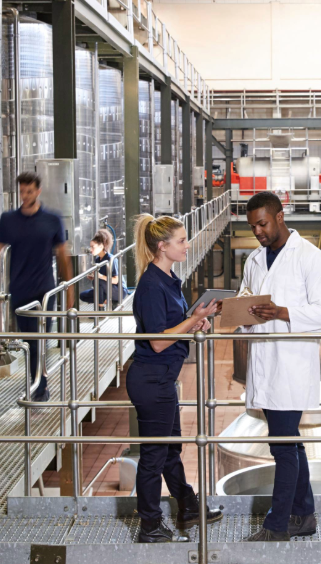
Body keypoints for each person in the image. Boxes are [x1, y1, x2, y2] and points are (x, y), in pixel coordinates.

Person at [233, 192, 321, 542]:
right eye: (252, 226)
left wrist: (282, 312)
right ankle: (304, 514)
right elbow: (245, 300)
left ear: (279, 216)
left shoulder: (311, 258)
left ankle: (277, 525)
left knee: (282, 447)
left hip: (290, 366)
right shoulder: (254, 260)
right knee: (290, 443)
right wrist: (237, 312)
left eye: (262, 223)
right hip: (263, 361)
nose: (257, 231)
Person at [128, 213, 222, 543]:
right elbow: (156, 340)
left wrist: (194, 322)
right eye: (181, 241)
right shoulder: (152, 285)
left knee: (170, 450)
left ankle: (188, 505)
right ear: (162, 246)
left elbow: (171, 327)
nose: (187, 245)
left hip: (162, 379)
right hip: (151, 380)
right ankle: (150, 526)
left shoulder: (168, 279)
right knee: (154, 456)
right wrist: (192, 319)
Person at [0, 172, 74, 402]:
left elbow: (63, 256)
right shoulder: (9, 219)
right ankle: (36, 383)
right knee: (28, 341)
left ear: (38, 191)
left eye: (29, 191)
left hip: (44, 290)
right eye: (22, 191)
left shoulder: (52, 219)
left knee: (39, 339)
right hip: (19, 289)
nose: (25, 196)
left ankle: (40, 388)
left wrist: (69, 290)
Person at [79, 229, 126, 308]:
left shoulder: (111, 259)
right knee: (83, 295)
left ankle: (100, 309)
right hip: (105, 289)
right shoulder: (97, 259)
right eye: (90, 247)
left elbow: (115, 280)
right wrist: (93, 277)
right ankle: (109, 301)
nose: (91, 250)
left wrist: (100, 276)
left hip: (118, 290)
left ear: (101, 246)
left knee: (99, 281)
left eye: (93, 247)